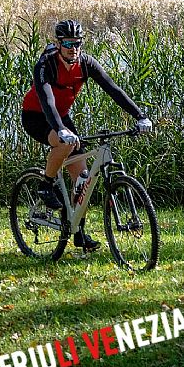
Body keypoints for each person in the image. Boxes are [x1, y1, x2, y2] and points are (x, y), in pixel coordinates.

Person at [20, 20, 152, 251]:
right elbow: (47, 101)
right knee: (63, 144)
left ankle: (78, 231)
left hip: (61, 116)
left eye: (77, 43)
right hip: (37, 116)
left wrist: (140, 116)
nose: (73, 48)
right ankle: (45, 185)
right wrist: (61, 130)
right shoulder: (45, 64)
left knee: (83, 178)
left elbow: (113, 89)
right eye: (68, 43)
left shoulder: (86, 63)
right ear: (58, 44)